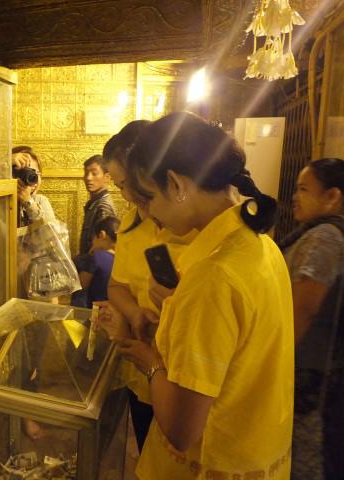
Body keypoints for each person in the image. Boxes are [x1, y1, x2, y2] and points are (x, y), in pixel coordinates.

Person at [100, 112, 294, 479]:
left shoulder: (213, 275)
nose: (149, 214)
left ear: (175, 184)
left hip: (210, 462)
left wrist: (151, 362)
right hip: (257, 450)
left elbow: (180, 429)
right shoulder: (261, 245)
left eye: (148, 198)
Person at [102, 120, 196, 452]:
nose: (127, 195)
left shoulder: (194, 224)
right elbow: (117, 285)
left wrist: (175, 302)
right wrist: (134, 313)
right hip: (144, 369)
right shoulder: (131, 223)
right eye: (119, 186)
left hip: (188, 379)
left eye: (129, 183)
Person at [279, 158, 344, 480]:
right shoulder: (330, 233)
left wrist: (273, 363)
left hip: (308, 378)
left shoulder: (325, 236)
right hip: (318, 374)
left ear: (332, 196)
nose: (295, 196)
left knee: (305, 461)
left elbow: (303, 308)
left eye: (303, 189)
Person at [76, 216, 119, 308]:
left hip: (98, 311)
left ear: (101, 235)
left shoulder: (97, 257)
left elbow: (81, 285)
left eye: (93, 238)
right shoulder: (124, 258)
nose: (92, 243)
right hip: (118, 309)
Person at [79, 154, 117, 255]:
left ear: (107, 177)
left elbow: (103, 246)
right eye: (86, 173)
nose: (88, 178)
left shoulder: (103, 206)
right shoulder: (94, 203)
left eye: (94, 173)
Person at [12, 146, 56, 227]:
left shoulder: (40, 200)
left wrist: (28, 202)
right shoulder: (2, 202)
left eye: (36, 173)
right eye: (26, 172)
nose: (33, 178)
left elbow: (52, 231)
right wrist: (7, 161)